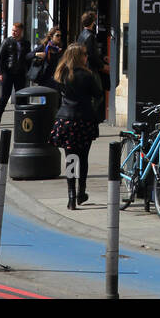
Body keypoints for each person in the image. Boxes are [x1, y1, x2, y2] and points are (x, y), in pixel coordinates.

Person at [48, 44, 104, 209]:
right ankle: (81, 192)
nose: (87, 57)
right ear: (80, 57)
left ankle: (71, 196)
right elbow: (98, 94)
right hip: (84, 119)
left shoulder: (62, 74)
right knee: (84, 158)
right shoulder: (87, 75)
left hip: (66, 119)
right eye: (85, 54)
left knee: (71, 159)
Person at [0, 22, 29, 123]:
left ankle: (20, 117)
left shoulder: (26, 43)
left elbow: (28, 57)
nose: (14, 32)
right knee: (5, 95)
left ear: (21, 31)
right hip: (8, 72)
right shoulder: (7, 41)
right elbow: (0, 57)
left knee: (21, 95)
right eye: (13, 30)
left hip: (20, 72)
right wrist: (0, 72)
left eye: (16, 31)